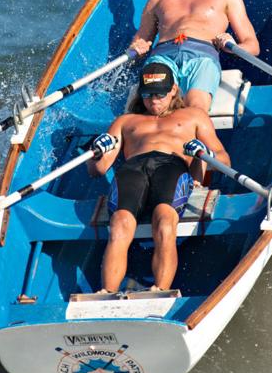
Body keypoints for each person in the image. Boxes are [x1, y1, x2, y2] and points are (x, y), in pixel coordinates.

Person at [88, 62, 229, 294]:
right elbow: (97, 170)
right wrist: (96, 152)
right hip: (133, 169)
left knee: (164, 221)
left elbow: (225, 160)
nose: (154, 101)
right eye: (147, 94)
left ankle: (159, 290)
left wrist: (207, 155)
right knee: (120, 224)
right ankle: (106, 294)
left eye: (160, 94)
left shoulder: (193, 116)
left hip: (171, 166)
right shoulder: (126, 121)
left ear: (173, 89)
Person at [128, 0, 260, 111]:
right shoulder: (157, 0)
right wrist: (136, 48)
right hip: (162, 58)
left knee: (195, 109)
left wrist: (231, 45)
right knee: (155, 108)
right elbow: (138, 43)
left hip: (202, 59)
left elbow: (253, 46)